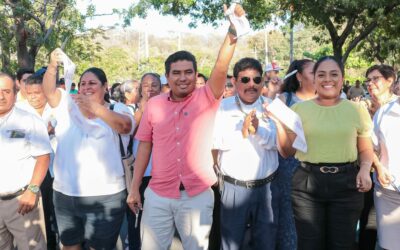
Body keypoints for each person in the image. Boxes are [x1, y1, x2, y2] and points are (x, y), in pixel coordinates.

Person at [126, 4, 243, 249]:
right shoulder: (154, 105)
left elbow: (222, 65)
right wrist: (135, 188)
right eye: (176, 73)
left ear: (196, 74)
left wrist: (232, 31)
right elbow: (144, 147)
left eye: (188, 72)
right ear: (167, 77)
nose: (183, 77)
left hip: (197, 195)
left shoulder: (207, 97)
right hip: (158, 194)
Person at [270, 56, 374, 250]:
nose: (328, 79)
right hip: (306, 186)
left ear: (342, 79)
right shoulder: (298, 110)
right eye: (321, 75)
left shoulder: (357, 110)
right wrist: (278, 124)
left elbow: (366, 148)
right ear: (314, 80)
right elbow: (287, 152)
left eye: (334, 74)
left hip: (348, 185)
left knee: (343, 244)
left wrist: (365, 169)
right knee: (309, 245)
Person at [43, 52, 134, 250]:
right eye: (83, 83)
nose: (86, 87)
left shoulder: (118, 108)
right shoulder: (66, 105)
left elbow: (125, 127)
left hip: (106, 196)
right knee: (69, 245)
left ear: (105, 86)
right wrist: (52, 66)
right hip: (65, 194)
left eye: (92, 83)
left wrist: (95, 108)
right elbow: (49, 92)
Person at [213, 57, 281, 249]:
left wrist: (258, 130)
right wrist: (242, 131)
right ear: (234, 82)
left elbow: (277, 143)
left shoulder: (272, 107)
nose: (251, 85)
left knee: (266, 243)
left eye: (257, 80)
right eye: (245, 80)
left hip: (267, 189)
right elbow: (217, 142)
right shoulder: (222, 108)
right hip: (234, 189)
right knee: (231, 244)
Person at [0, 72, 52, 250]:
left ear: (15, 95)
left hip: (22, 201)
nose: (1, 96)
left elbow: (43, 157)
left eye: (6, 91)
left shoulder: (28, 120)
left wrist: (32, 190)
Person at [356, 64, 398, 250]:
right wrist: (378, 168)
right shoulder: (380, 111)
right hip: (387, 188)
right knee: (387, 242)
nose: (371, 83)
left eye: (376, 78)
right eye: (369, 80)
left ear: (390, 81)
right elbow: (368, 146)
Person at [276, 59, 315, 250]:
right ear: (299, 76)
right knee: (290, 220)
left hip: (317, 167)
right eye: (314, 72)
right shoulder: (284, 100)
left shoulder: (327, 100)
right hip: (290, 167)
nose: (320, 76)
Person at [18, 74, 60, 250]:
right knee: (41, 218)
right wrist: (42, 132)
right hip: (35, 174)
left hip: (60, 171)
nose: (33, 97)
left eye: (37, 92)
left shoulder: (57, 108)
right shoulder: (18, 111)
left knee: (59, 216)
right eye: (30, 93)